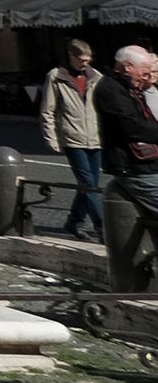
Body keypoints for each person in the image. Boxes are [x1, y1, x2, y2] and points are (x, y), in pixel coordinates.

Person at [39, 39, 105, 242]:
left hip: (95, 137)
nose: (85, 64)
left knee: (90, 184)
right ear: (71, 56)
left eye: (88, 59)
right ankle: (103, 228)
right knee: (87, 183)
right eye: (81, 60)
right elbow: (47, 110)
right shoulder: (56, 76)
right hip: (72, 138)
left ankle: (74, 222)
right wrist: (52, 137)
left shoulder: (96, 77)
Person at [92, 45, 158, 241]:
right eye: (144, 71)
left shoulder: (130, 88)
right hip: (135, 168)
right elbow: (132, 126)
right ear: (128, 66)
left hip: (148, 164)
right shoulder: (110, 89)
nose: (146, 76)